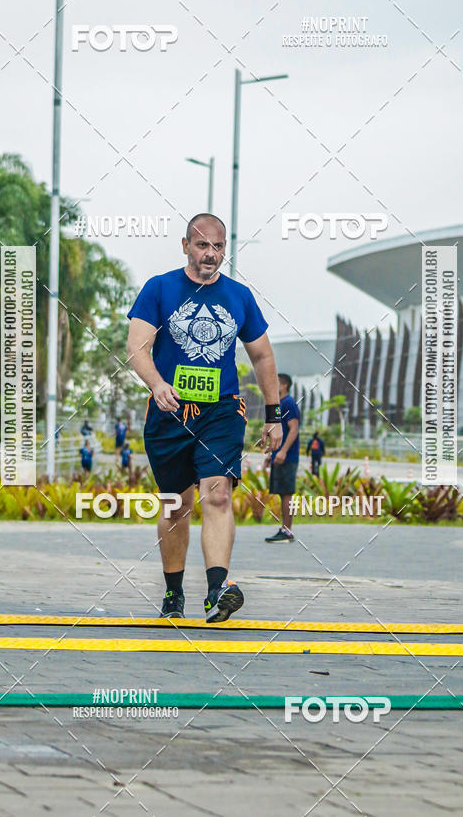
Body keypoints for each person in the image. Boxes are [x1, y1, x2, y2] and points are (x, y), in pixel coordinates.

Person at [127, 213, 282, 622]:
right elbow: (137, 348)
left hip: (222, 410)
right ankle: (173, 594)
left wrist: (274, 414)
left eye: (217, 247)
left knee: (217, 493)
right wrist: (157, 384)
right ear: (185, 246)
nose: (209, 254)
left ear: (224, 250)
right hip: (169, 410)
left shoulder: (239, 296)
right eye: (201, 245)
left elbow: (262, 355)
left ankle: (217, 591)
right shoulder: (159, 289)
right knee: (177, 505)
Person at [265, 373, 300, 543]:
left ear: (284, 385)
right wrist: (272, 453)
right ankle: (284, 529)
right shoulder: (279, 405)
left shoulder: (289, 403)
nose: (272, 384)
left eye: (275, 382)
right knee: (282, 493)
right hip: (278, 455)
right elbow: (278, 430)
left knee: (287, 493)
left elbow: (294, 429)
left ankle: (287, 531)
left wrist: (283, 451)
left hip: (287, 456)